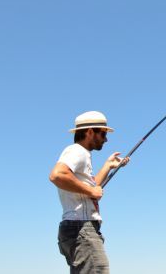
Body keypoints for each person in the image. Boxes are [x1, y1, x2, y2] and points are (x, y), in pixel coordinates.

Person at [49, 111, 129, 274]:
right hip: (82, 227)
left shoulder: (82, 154)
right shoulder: (77, 151)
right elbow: (57, 175)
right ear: (90, 132)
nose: (106, 139)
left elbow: (91, 188)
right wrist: (91, 190)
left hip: (77, 228)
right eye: (103, 133)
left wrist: (108, 165)